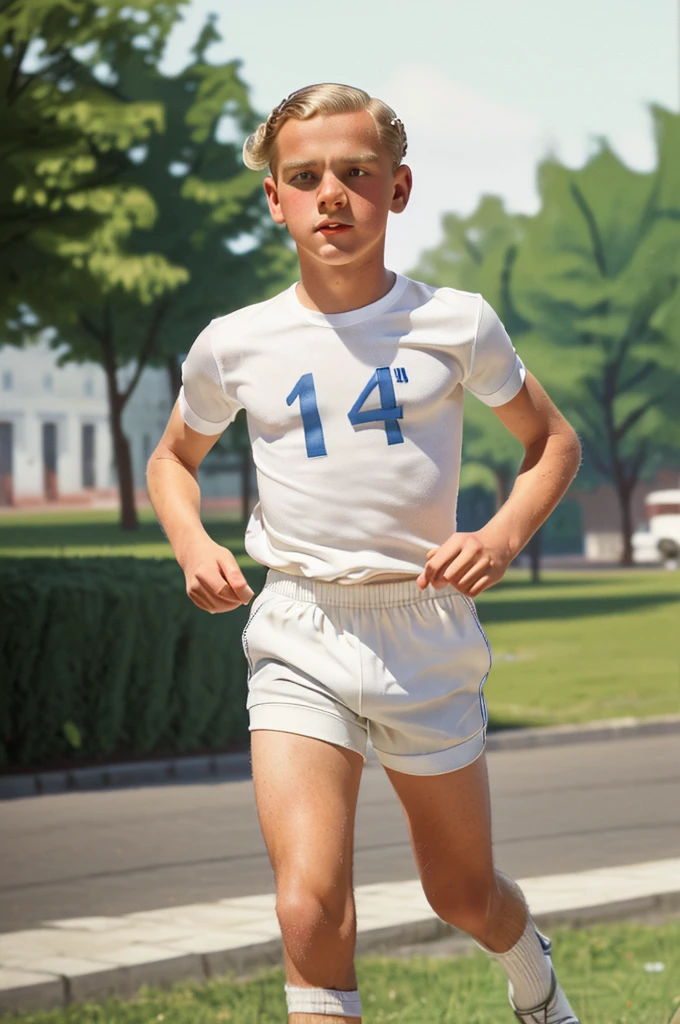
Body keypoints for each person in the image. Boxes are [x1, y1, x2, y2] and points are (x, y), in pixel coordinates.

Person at [147, 83, 582, 1024]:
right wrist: (192, 540)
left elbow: (553, 444)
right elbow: (173, 459)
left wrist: (501, 535)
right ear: (274, 198)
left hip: (426, 630)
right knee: (308, 900)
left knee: (462, 895)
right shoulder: (234, 344)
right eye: (303, 178)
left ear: (399, 188)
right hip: (299, 625)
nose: (330, 194)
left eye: (356, 173)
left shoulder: (457, 323)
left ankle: (532, 977)